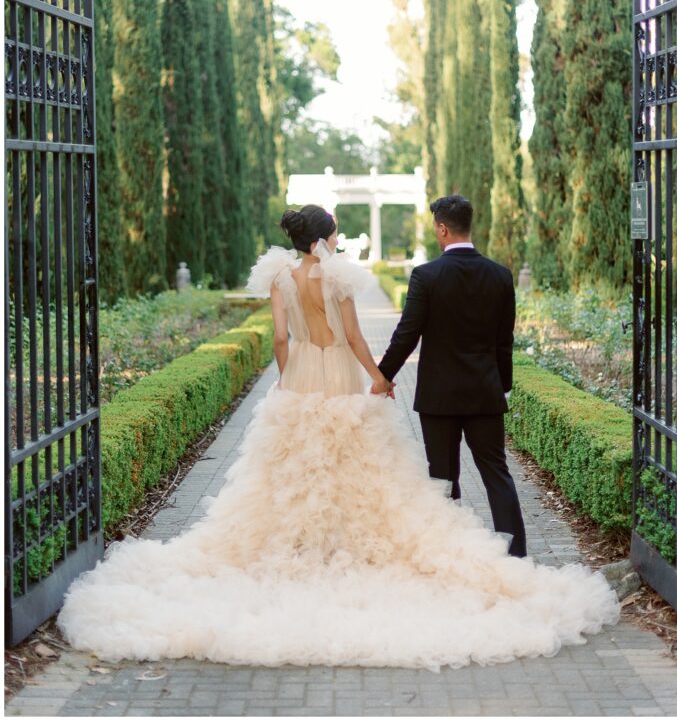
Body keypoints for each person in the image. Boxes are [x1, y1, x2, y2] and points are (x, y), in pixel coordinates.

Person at [56, 204, 620, 669]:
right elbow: (356, 337)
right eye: (336, 234)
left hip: (300, 379)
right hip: (359, 379)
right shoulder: (358, 277)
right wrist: (378, 379)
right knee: (367, 470)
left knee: (292, 473)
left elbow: (282, 337)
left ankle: (302, 550)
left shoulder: (282, 276)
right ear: (325, 239)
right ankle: (474, 553)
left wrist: (290, 376)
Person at [378, 194, 527, 557]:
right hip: (484, 394)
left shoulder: (426, 276)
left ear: (442, 229)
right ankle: (517, 555)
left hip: (439, 397)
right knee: (496, 474)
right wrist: (501, 387)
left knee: (443, 479)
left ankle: (449, 555)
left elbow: (406, 335)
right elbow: (503, 341)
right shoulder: (500, 275)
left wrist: (383, 377)